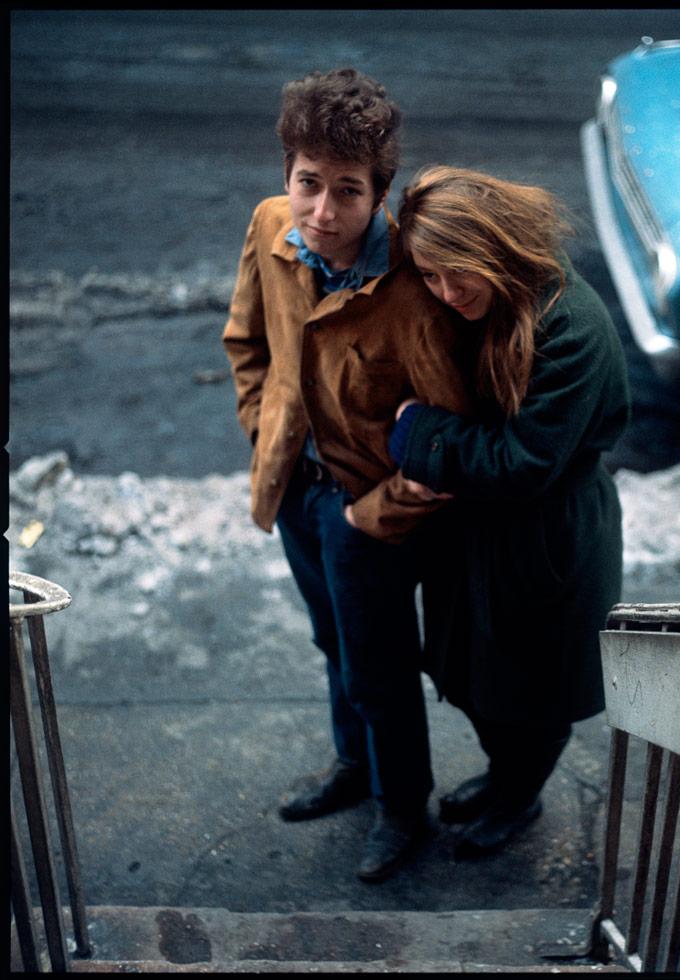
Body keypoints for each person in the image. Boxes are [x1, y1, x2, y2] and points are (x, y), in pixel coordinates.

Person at [222, 71, 471, 882]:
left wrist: (374, 513)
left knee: (379, 662)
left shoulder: (411, 289)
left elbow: (445, 440)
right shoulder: (269, 228)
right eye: (307, 184)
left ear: (380, 195)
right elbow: (245, 342)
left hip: (367, 514)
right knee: (331, 639)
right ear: (286, 177)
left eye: (347, 192)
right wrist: (266, 429)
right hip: (296, 487)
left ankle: (403, 807)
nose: (321, 213)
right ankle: (354, 769)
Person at [388, 165, 631, 856]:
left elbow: (520, 463)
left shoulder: (570, 328)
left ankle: (518, 796)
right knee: (475, 678)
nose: (444, 292)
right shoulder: (489, 300)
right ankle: (503, 778)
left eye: (453, 273)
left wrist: (415, 434)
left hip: (546, 538)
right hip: (482, 535)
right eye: (429, 277)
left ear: (491, 246)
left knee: (531, 692)